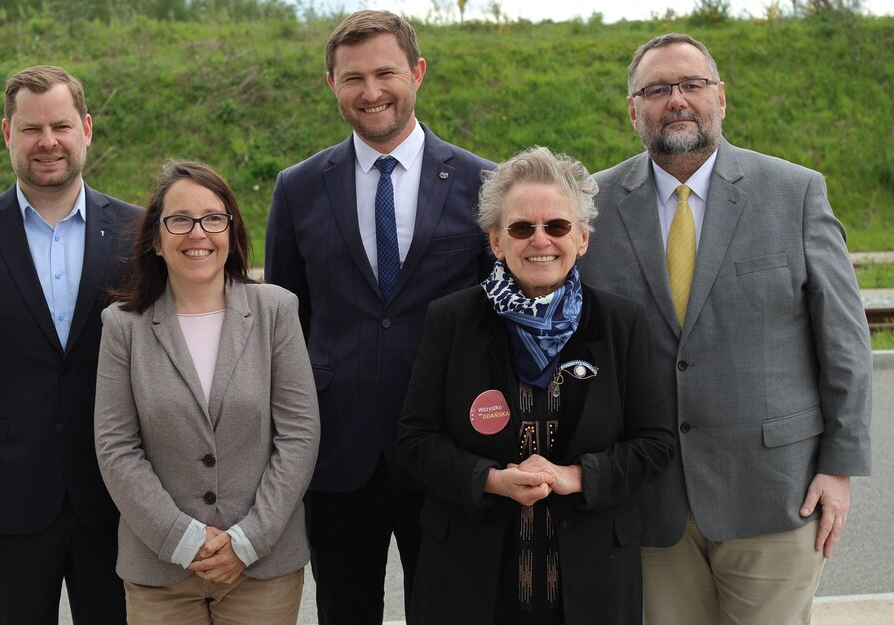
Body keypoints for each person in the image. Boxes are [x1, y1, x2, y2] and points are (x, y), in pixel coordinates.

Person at [576, 33, 873, 625]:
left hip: (774, 492)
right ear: (633, 110)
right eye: (656, 89)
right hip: (648, 501)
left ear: (721, 98)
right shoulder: (593, 207)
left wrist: (838, 469)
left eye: (692, 85)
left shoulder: (794, 192)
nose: (677, 99)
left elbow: (845, 342)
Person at [263, 10, 494, 623]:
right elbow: (285, 325)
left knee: (446, 611)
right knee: (343, 611)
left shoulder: (485, 185)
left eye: (386, 72)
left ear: (417, 73)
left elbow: (496, 323)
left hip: (448, 448)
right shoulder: (298, 188)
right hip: (339, 454)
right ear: (332, 85)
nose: (371, 92)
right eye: (353, 78)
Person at [396, 146, 676, 625]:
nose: (540, 240)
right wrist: (489, 479)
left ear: (583, 238)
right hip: (471, 578)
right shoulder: (453, 320)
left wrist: (577, 476)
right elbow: (416, 441)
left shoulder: (621, 323)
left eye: (557, 226)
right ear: (497, 241)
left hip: (592, 580)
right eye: (522, 228)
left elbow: (655, 443)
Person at [0, 65, 140, 624]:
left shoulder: (139, 233)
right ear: (7, 133)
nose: (48, 142)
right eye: (31, 129)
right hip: (5, 505)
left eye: (61, 126)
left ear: (86, 129)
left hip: (118, 502)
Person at [93, 160, 320, 624]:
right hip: (161, 569)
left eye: (213, 218)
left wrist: (249, 539)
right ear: (156, 239)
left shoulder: (276, 310)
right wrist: (180, 538)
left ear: (231, 232)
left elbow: (298, 435)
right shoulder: (123, 326)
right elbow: (116, 448)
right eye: (180, 220)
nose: (198, 233)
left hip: (263, 566)